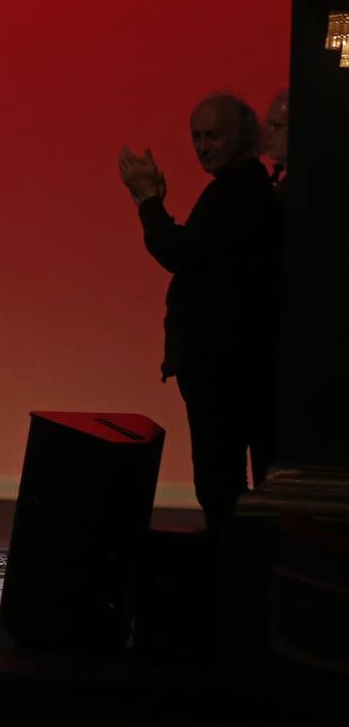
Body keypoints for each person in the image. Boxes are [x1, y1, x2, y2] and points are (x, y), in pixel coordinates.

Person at [118, 92, 280, 534]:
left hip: (226, 367)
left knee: (219, 481)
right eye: (197, 137)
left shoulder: (238, 190)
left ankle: (232, 579)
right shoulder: (242, 188)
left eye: (213, 135)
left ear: (244, 137)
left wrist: (148, 201)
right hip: (232, 364)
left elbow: (182, 253)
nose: (203, 146)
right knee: (228, 479)